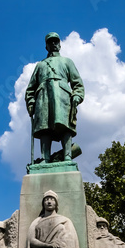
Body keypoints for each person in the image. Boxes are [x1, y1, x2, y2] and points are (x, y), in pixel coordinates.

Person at [25, 32, 84, 162]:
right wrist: (31, 103)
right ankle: (45, 158)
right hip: (43, 98)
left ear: (60, 44)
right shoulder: (40, 65)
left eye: (55, 41)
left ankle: (68, 155)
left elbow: (77, 83)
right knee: (44, 128)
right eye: (50, 42)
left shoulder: (67, 62)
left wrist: (77, 96)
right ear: (46, 46)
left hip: (62, 96)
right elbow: (30, 88)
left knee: (65, 126)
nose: (53, 44)